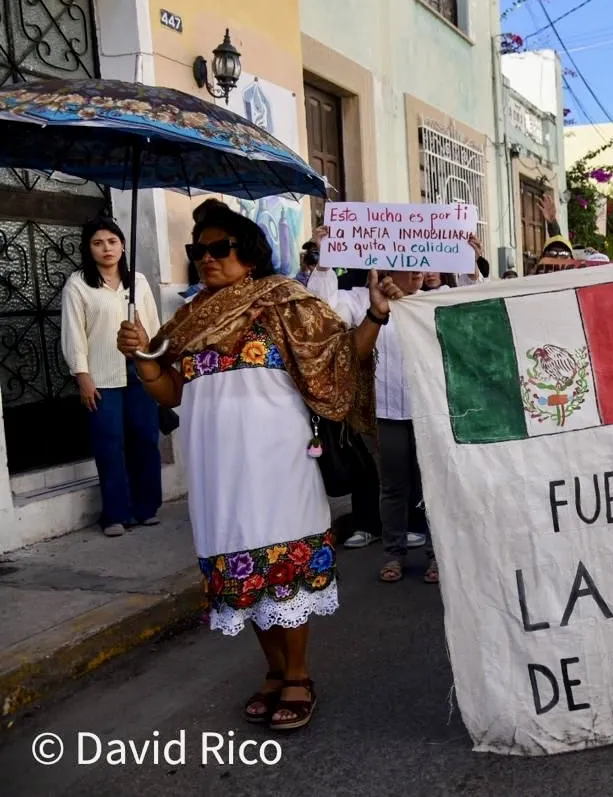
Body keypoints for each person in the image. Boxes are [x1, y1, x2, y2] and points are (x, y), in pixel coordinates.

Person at [116, 200, 395, 731]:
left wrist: (377, 314)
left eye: (218, 248)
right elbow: (171, 392)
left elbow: (343, 361)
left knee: (282, 571)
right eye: (198, 250)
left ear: (249, 251)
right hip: (214, 470)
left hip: (278, 462)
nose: (206, 258)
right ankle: (272, 670)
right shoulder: (190, 316)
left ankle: (298, 673)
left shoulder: (286, 302)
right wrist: (143, 359)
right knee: (239, 570)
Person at [309, 227, 484, 583]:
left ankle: (438, 556)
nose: (419, 270)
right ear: (387, 265)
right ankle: (394, 554)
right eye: (409, 262)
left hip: (432, 410)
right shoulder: (360, 299)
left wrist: (469, 262)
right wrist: (325, 261)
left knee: (436, 485)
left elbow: (478, 301)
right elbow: (322, 312)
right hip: (387, 413)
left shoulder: (442, 297)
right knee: (392, 487)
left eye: (424, 262)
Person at [61, 214, 163, 537]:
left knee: (145, 438)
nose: (106, 248)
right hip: (102, 376)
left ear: (122, 246)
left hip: (140, 371)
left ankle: (146, 507)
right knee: (109, 443)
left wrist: (156, 363)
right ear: (88, 248)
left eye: (112, 241)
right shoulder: (78, 284)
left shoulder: (139, 282)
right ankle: (116, 513)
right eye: (98, 243)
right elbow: (74, 333)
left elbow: (155, 327)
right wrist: (82, 376)